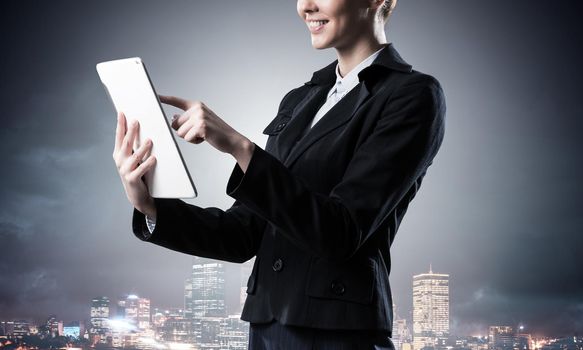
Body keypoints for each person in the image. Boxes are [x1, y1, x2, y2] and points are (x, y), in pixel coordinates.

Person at [112, 0, 446, 348]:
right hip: (267, 327)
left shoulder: (412, 95)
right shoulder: (300, 99)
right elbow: (243, 234)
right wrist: (149, 204)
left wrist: (240, 148)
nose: (306, 6)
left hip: (339, 334)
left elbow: (341, 232)